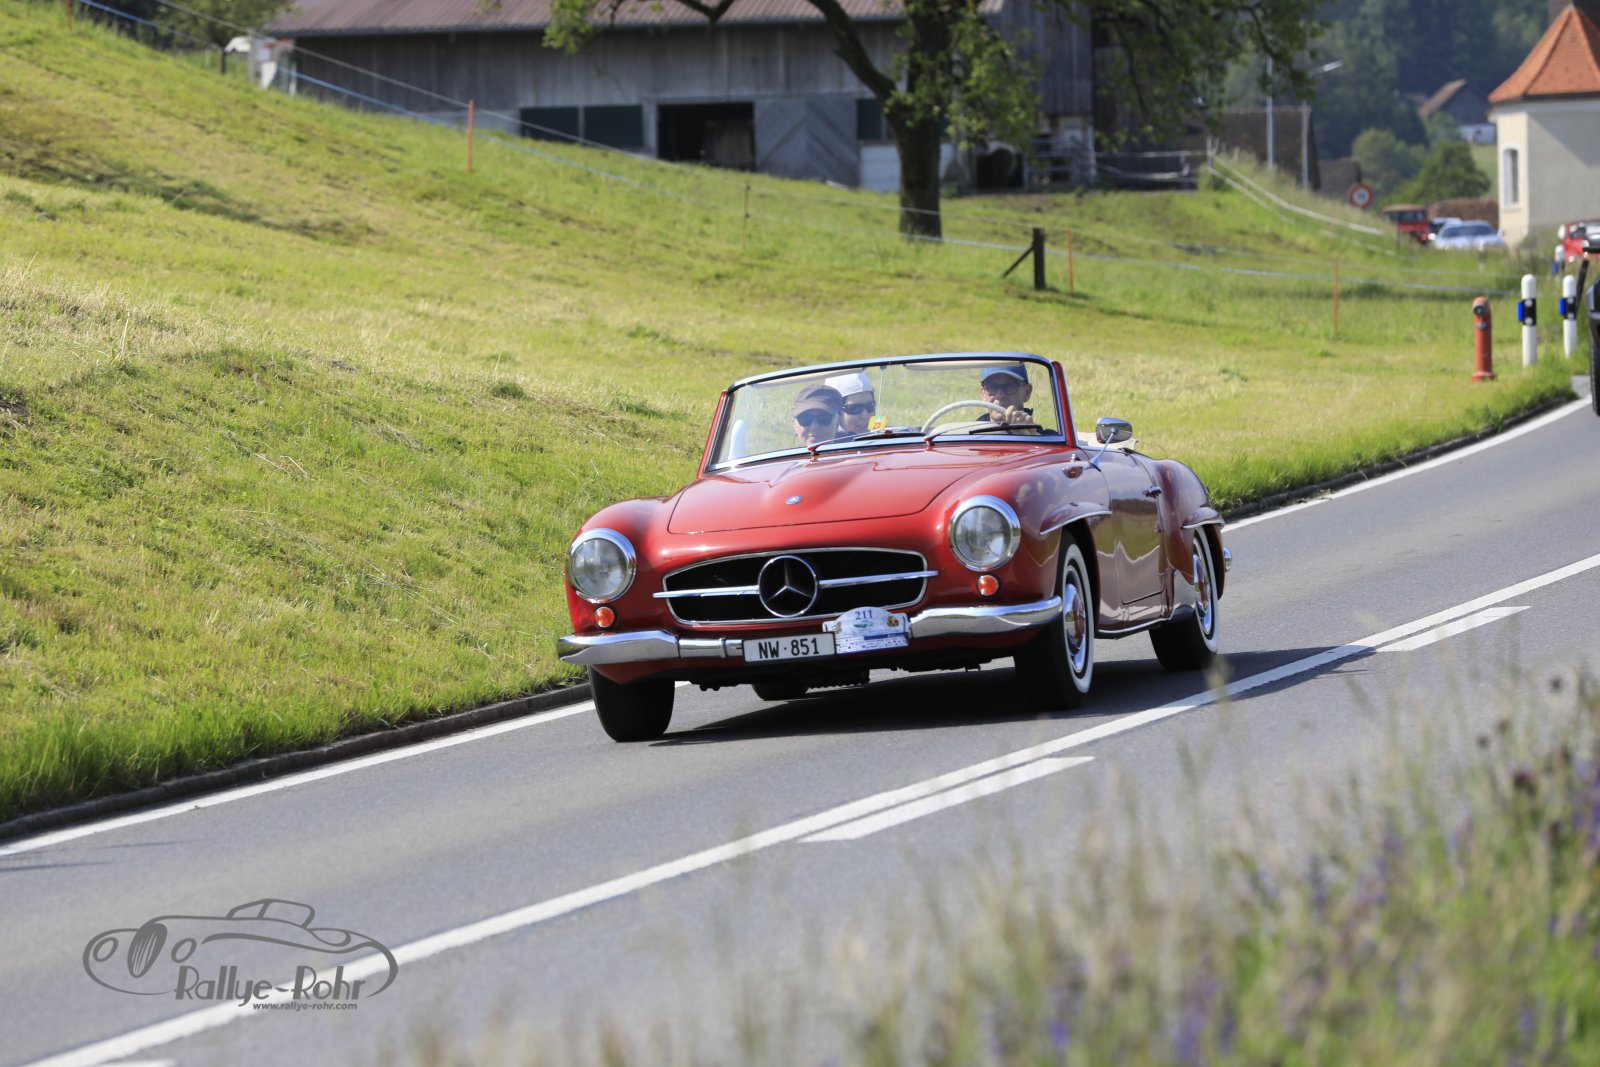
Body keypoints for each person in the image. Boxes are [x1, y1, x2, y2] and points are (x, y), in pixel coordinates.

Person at [977, 364, 1040, 433]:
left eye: (1010, 386)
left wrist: (1031, 435)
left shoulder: (1044, 437)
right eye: (992, 387)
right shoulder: (971, 433)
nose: (1000, 395)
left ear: (1026, 392)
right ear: (983, 394)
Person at [823, 370, 877, 435]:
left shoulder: (881, 433)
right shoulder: (824, 439)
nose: (866, 416)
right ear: (834, 412)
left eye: (870, 406)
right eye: (855, 409)